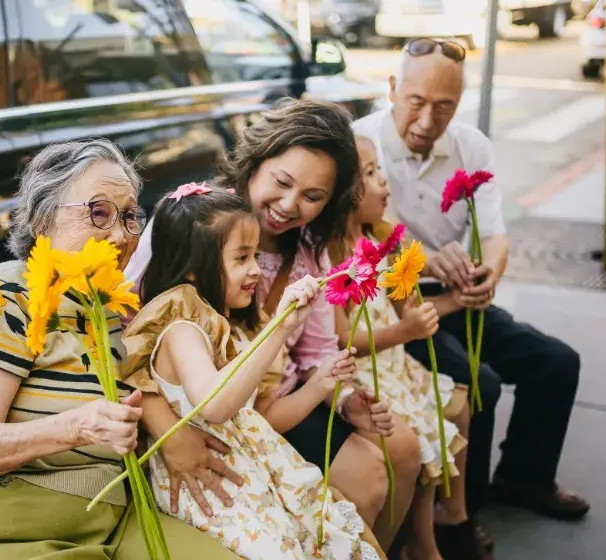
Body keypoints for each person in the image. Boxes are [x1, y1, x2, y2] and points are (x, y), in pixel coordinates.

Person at [0, 139, 240, 559]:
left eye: (128, 216)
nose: (121, 234)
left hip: (111, 522)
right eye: (98, 213)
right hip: (6, 529)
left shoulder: (106, 305)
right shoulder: (5, 296)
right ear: (42, 219)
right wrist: (73, 428)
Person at [125, 100, 424, 545]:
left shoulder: (309, 252)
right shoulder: (192, 224)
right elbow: (126, 334)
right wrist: (165, 430)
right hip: (206, 414)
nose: (288, 205)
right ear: (254, 164)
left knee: (401, 447)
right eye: (281, 183)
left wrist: (342, 400)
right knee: (367, 477)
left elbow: (316, 353)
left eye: (312, 197)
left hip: (273, 403)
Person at [352, 38, 589, 534]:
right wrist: (433, 265)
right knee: (478, 384)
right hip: (402, 308)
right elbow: (363, 249)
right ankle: (462, 515)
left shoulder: (471, 146)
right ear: (393, 89)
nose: (426, 120)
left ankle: (525, 478)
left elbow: (496, 234)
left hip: (459, 297)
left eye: (444, 107)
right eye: (416, 102)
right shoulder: (360, 147)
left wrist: (488, 276)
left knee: (556, 362)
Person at [123, 185, 388, 559]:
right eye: (242, 257)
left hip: (255, 474)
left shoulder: (222, 326)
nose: (254, 270)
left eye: (256, 254)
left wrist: (318, 384)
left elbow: (257, 418)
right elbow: (213, 406)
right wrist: (279, 329)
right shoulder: (181, 327)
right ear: (194, 270)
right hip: (216, 489)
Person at [333, 136, 486, 560]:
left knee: (453, 407)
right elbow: (343, 338)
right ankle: (423, 544)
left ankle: (436, 530)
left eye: (379, 170)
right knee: (422, 430)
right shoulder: (337, 257)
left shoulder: (382, 238)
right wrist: (407, 331)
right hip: (369, 372)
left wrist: (453, 301)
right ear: (343, 192)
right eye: (369, 174)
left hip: (397, 365)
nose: (384, 182)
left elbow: (408, 307)